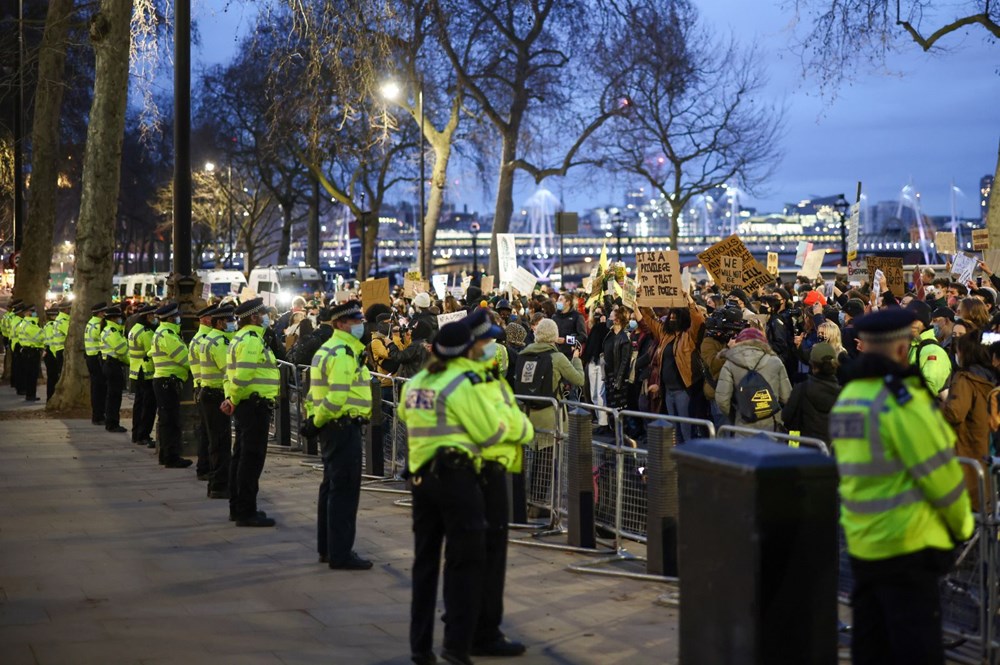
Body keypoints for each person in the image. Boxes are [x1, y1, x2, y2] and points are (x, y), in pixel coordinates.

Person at [832, 308, 973, 665]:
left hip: (863, 545)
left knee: (872, 645)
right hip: (909, 546)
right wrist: (962, 529)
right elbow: (941, 478)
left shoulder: (849, 400)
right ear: (900, 349)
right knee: (916, 649)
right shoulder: (902, 403)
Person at [398, 320, 508, 665]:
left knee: (425, 565)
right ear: (465, 349)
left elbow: (404, 415)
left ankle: (420, 647)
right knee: (464, 563)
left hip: (420, 480)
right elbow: (490, 433)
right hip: (458, 481)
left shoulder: (415, 383)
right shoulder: (463, 384)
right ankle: (456, 647)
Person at [466, 309, 534, 658]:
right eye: (490, 340)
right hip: (486, 473)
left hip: (474, 475)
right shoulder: (477, 383)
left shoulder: (465, 377)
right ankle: (483, 631)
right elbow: (511, 425)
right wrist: (520, 428)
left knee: (468, 558)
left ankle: (464, 627)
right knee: (488, 559)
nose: (495, 346)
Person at [300, 302, 373, 568]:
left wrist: (313, 421)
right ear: (341, 324)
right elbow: (337, 396)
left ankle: (328, 548)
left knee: (330, 489)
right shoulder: (343, 353)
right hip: (342, 427)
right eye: (356, 321)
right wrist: (318, 421)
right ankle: (341, 554)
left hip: (332, 428)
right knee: (344, 492)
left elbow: (314, 393)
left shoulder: (327, 349)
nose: (360, 326)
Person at [221, 298, 279, 527]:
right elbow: (243, 375)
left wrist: (230, 398)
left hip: (245, 403)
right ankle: (246, 511)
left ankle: (238, 507)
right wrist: (233, 399)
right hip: (254, 405)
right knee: (251, 459)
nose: (267, 316)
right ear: (254, 317)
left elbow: (230, 374)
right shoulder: (252, 340)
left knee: (241, 456)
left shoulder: (239, 338)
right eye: (263, 313)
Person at [639, 289, 705, 442]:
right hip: (668, 391)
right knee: (676, 431)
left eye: (676, 315)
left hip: (684, 390)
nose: (673, 317)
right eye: (671, 315)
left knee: (687, 430)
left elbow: (699, 320)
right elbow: (650, 319)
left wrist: (688, 299)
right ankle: (679, 461)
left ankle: (689, 462)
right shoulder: (665, 334)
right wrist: (641, 299)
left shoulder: (690, 335)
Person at [941, 332, 996, 511]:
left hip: (966, 451)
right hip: (984, 449)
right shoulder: (990, 378)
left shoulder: (965, 379)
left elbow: (955, 413)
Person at [715, 327, 792, 431]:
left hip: (743, 426)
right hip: (772, 426)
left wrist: (736, 415)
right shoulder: (775, 361)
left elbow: (722, 400)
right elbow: (787, 397)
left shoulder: (730, 364)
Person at [150, 302, 193, 468]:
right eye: (176, 316)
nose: (179, 318)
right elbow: (185, 359)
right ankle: (171, 457)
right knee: (171, 422)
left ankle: (165, 455)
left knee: (167, 420)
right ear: (170, 318)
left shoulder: (164, 333)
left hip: (165, 381)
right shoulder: (167, 335)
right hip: (167, 382)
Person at [199, 306, 235, 500]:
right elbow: (227, 369)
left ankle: (216, 483)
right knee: (221, 443)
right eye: (229, 320)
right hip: (216, 395)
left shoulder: (209, 338)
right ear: (220, 322)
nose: (232, 323)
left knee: (215, 441)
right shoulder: (219, 342)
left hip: (208, 393)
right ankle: (220, 486)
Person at [780, 342, 841, 444]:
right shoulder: (842, 393)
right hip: (830, 450)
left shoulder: (802, 389)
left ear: (812, 365)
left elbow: (786, 416)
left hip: (805, 449)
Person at [189, 305, 218, 480]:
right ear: (206, 319)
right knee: (209, 433)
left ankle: (204, 467)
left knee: (206, 431)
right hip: (207, 387)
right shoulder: (205, 339)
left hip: (201, 387)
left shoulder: (200, 338)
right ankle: (205, 468)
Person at [906, 300, 951, 398]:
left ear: (924, 323)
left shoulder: (932, 350)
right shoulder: (912, 345)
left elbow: (931, 386)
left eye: (915, 320)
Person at [127, 304, 158, 447]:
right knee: (148, 405)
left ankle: (136, 434)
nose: (155, 318)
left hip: (136, 370)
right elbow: (151, 351)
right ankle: (144, 435)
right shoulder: (146, 332)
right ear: (148, 316)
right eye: (153, 315)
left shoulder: (135, 329)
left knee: (139, 404)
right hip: (146, 371)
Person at [100, 306, 129, 432]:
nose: (120, 320)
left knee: (112, 395)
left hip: (110, 364)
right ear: (113, 318)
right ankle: (112, 423)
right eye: (119, 317)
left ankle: (111, 422)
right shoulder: (112, 331)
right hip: (113, 365)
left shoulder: (110, 329)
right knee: (114, 396)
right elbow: (122, 349)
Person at [85, 302, 108, 423]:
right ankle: (98, 416)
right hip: (97, 359)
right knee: (99, 389)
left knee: (96, 388)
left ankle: (98, 415)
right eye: (104, 312)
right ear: (100, 313)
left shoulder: (91, 322)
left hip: (91, 358)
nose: (106, 315)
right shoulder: (98, 325)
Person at [17, 304, 44, 402]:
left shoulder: (23, 323)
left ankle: (30, 394)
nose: (34, 312)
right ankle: (31, 395)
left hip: (26, 350)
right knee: (32, 375)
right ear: (27, 313)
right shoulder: (30, 324)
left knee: (29, 375)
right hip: (32, 351)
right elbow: (41, 337)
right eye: (32, 311)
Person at [553, 292, 587, 359]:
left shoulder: (577, 316)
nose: (557, 302)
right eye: (558, 300)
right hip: (555, 352)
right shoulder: (554, 316)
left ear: (568, 302)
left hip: (570, 355)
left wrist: (565, 340)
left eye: (560, 300)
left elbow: (583, 337)